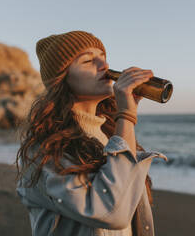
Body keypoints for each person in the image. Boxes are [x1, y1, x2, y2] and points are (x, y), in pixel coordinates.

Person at [15, 30, 168, 236]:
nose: (104, 66)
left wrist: (125, 119)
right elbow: (111, 212)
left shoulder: (109, 134)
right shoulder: (44, 150)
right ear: (62, 80)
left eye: (103, 57)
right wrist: (126, 116)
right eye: (88, 61)